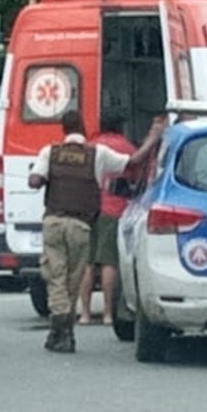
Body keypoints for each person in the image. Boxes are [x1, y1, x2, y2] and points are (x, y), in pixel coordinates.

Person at [29, 109, 164, 354]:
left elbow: (34, 181)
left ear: (63, 128)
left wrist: (48, 175)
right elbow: (133, 163)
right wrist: (153, 137)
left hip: (54, 222)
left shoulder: (50, 152)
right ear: (82, 127)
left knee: (56, 275)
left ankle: (63, 327)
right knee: (74, 275)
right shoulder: (97, 154)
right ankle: (62, 329)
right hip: (82, 224)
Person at [76, 112, 136, 326]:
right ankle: (109, 313)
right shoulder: (127, 147)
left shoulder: (90, 146)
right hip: (113, 209)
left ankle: (84, 313)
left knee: (88, 263)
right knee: (109, 262)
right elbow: (136, 175)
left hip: (87, 208)